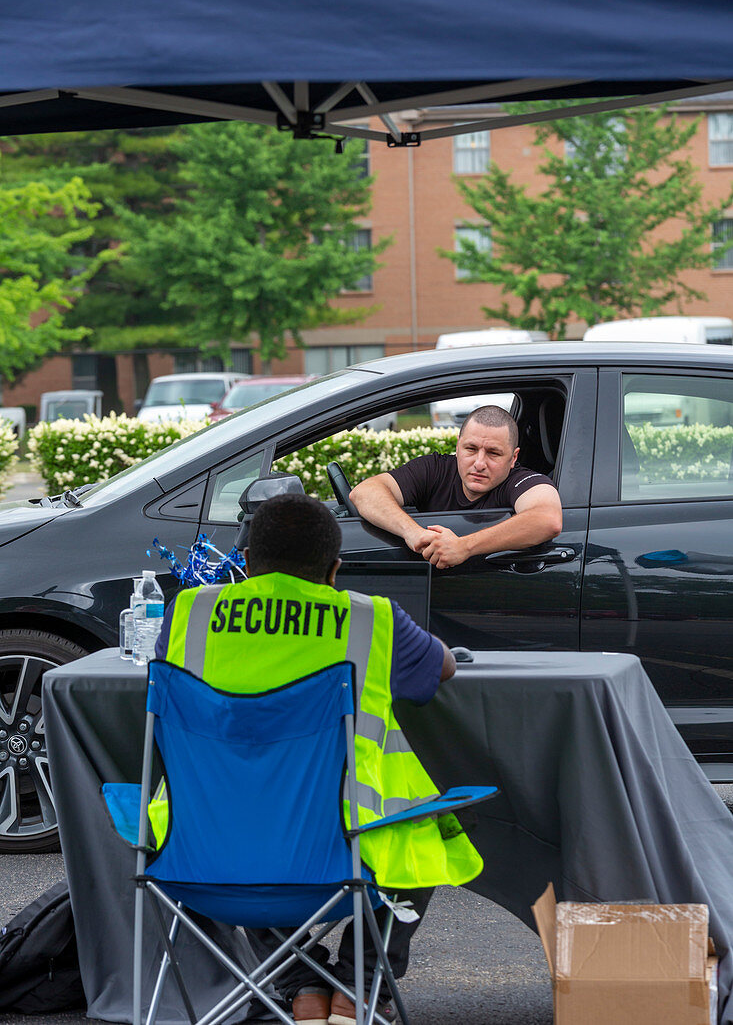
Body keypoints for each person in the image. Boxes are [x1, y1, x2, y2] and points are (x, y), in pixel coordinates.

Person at [153, 493, 482, 1025]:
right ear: (335, 569)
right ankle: (359, 984)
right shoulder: (371, 619)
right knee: (430, 824)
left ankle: (298, 983)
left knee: (245, 814)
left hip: (201, 858)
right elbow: (438, 672)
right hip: (343, 860)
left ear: (248, 564)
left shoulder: (189, 613)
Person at [350, 404, 563, 569]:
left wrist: (464, 547)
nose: (479, 463)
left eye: (493, 453)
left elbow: (547, 519)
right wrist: (413, 533)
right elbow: (365, 492)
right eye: (471, 449)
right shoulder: (435, 468)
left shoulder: (519, 481)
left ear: (513, 457)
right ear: (457, 447)